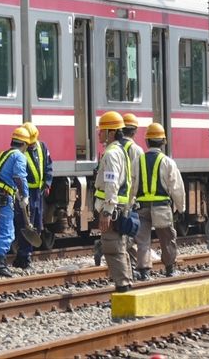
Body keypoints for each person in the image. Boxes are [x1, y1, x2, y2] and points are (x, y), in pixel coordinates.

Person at [134, 122, 185, 280]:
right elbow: (176, 187)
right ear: (163, 142)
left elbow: (132, 184)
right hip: (161, 207)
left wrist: (129, 204)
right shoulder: (168, 162)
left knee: (142, 241)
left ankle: (144, 271)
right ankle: (169, 269)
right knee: (167, 238)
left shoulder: (138, 161)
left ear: (147, 142)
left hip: (141, 207)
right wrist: (181, 208)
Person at [93, 110, 134, 292]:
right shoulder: (120, 151)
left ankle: (122, 287)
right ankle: (125, 282)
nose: (99, 133)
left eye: (102, 130)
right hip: (120, 206)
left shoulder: (111, 154)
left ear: (111, 133)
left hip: (112, 208)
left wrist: (108, 210)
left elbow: (111, 182)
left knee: (112, 247)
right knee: (120, 246)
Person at [0, 125, 30, 277]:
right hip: (4, 195)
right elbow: (19, 177)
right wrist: (24, 195)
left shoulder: (3, 154)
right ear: (25, 144)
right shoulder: (19, 156)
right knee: (7, 232)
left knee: (1, 229)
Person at [14, 121, 53, 269]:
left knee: (36, 224)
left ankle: (24, 255)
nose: (31, 145)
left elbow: (48, 165)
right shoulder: (20, 150)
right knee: (26, 223)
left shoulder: (41, 147)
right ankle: (24, 256)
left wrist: (47, 183)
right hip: (25, 192)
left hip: (38, 192)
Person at [120, 112, 143, 266]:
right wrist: (134, 198)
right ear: (135, 131)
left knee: (118, 230)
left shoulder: (113, 146)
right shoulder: (136, 150)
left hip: (114, 196)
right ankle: (132, 266)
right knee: (130, 231)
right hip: (128, 197)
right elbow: (135, 177)